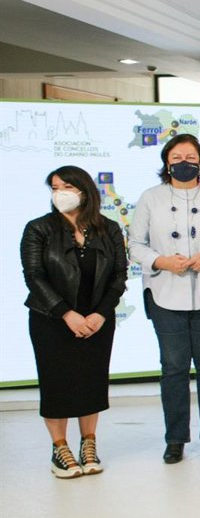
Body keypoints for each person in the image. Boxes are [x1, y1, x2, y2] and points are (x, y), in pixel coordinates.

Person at [129, 134, 200, 464]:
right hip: (164, 295)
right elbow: (135, 245)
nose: (184, 163)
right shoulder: (150, 198)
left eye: (191, 157)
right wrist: (160, 261)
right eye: (177, 158)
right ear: (166, 164)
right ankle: (175, 439)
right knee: (173, 369)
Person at [21, 166, 127, 478]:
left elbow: (119, 276)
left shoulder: (108, 228)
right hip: (52, 319)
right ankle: (60, 448)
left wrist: (100, 314)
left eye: (66, 187)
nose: (60, 193)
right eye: (54, 188)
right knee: (56, 384)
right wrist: (67, 314)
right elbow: (34, 276)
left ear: (84, 191)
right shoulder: (39, 228)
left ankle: (88, 444)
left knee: (91, 382)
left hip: (96, 320)